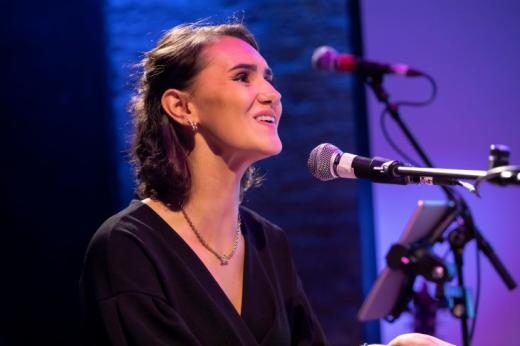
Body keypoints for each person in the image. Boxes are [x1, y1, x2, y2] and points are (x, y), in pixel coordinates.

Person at [80, 21, 454, 346]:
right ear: (182, 107)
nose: (272, 95)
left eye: (268, 79)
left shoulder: (267, 241)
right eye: (243, 77)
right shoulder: (128, 248)